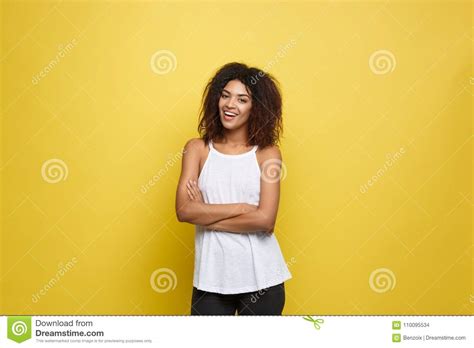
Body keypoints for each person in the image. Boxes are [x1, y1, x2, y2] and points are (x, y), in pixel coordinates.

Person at [175, 62, 292, 315]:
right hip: (210, 279)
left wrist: (205, 214)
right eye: (225, 95)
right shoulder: (197, 149)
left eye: (242, 99)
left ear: (256, 108)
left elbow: (265, 220)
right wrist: (241, 208)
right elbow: (184, 211)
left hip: (263, 281)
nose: (230, 105)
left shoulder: (267, 154)